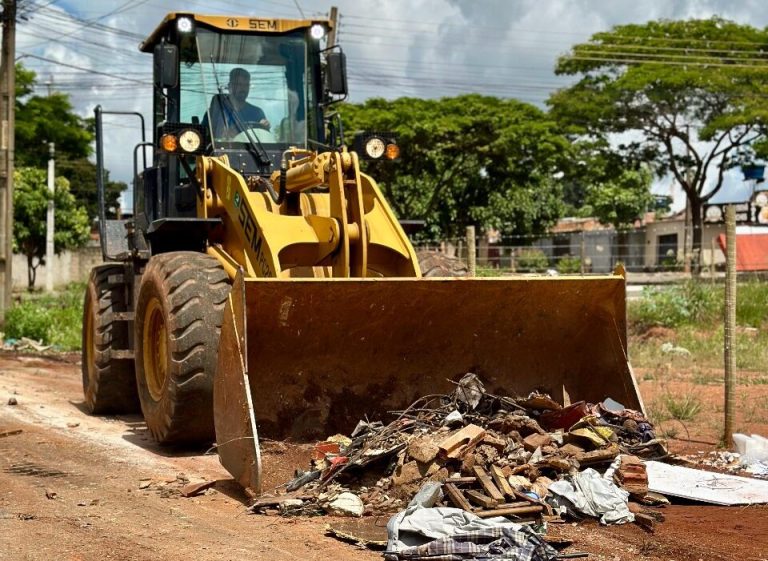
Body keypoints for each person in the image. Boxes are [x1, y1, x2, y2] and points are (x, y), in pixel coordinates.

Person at [204, 67, 270, 139]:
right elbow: (204, 138)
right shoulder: (216, 112)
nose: (243, 88)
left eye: (246, 85)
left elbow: (264, 140)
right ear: (230, 86)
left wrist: (265, 127)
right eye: (239, 84)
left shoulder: (257, 113)